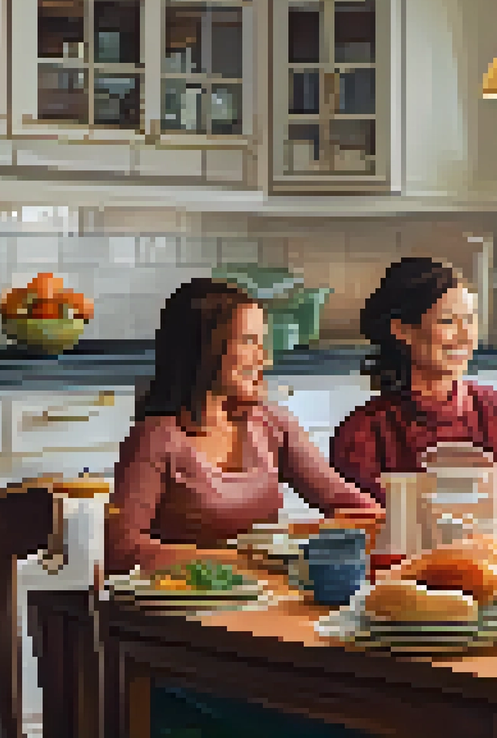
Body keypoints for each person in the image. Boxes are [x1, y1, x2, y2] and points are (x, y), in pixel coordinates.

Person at [106, 278, 379, 738]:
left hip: (260, 622)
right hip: (187, 638)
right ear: (204, 349)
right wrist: (236, 564)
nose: (265, 359)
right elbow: (121, 548)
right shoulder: (158, 438)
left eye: (265, 343)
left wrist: (395, 528)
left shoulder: (271, 425)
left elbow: (347, 502)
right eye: (250, 341)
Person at [331, 257, 497, 502]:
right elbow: (358, 526)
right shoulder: (364, 432)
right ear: (402, 330)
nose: (466, 335)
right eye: (448, 321)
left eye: (470, 319)